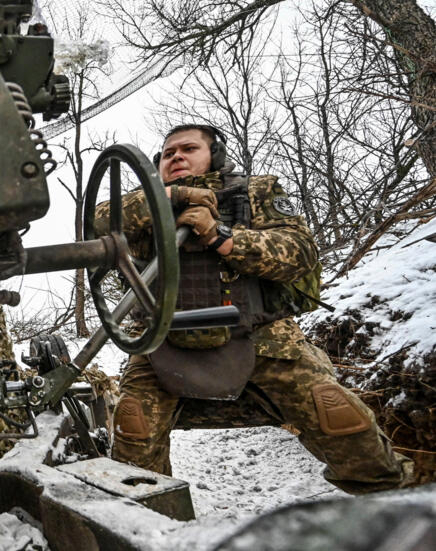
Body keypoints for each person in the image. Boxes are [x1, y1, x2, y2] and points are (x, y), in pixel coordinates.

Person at [97, 124, 413, 494]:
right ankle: (147, 526)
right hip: (160, 344)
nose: (177, 157)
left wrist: (221, 236)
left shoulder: (256, 191)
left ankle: (397, 501)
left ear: (214, 155)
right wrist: (168, 197)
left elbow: (299, 253)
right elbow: (97, 221)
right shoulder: (144, 206)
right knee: (133, 435)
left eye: (188, 149)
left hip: (263, 337)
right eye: (168, 154)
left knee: (342, 421)